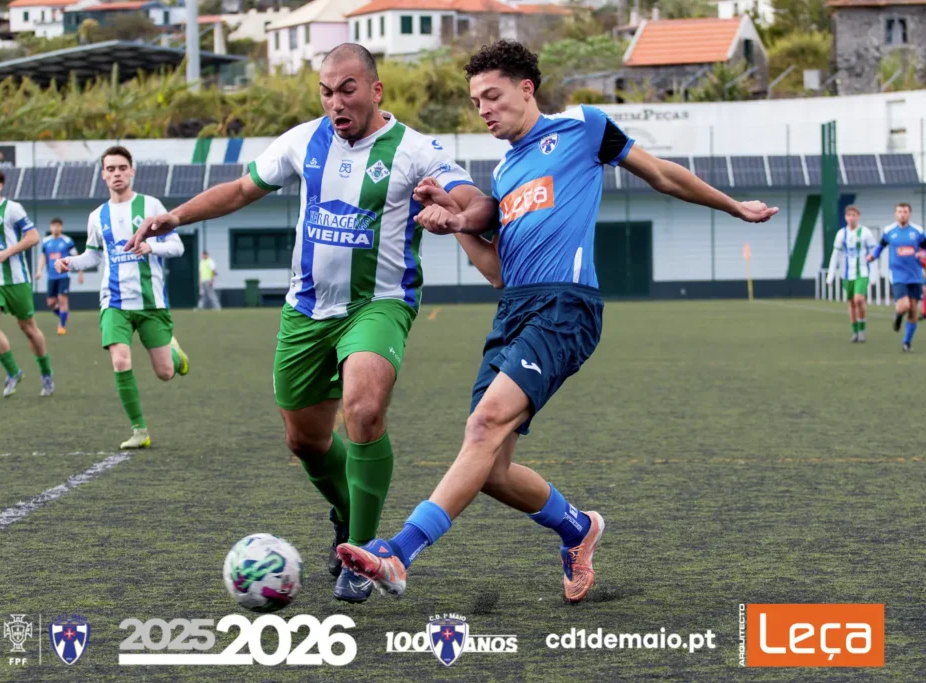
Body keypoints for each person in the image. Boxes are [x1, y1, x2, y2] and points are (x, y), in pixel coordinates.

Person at [336, 40, 777, 603]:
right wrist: (454, 223)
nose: (484, 109)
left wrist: (735, 207)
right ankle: (577, 528)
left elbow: (661, 174)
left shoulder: (583, 128)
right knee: (491, 469)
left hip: (566, 306)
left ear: (526, 88)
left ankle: (398, 553)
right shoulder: (505, 172)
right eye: (475, 102)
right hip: (514, 311)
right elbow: (497, 273)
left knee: (482, 426)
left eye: (492, 95)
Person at [124, 44, 497, 603]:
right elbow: (241, 189)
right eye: (325, 91)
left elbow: (479, 201)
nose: (335, 102)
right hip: (304, 311)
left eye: (347, 89)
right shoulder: (303, 140)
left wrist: (457, 214)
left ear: (375, 91)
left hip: (378, 304)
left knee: (364, 409)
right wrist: (175, 216)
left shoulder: (415, 149)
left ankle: (367, 552)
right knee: (304, 441)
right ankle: (349, 520)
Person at [56, 146, 190, 449]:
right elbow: (92, 256)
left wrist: (151, 248)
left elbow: (178, 246)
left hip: (150, 302)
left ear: (132, 170)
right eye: (110, 169)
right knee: (119, 361)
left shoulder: (151, 205)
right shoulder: (97, 216)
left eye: (121, 168)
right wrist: (70, 263)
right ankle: (139, 431)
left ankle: (173, 351)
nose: (116, 173)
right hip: (113, 302)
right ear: (103, 175)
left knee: (166, 373)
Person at [0, 167, 54, 398]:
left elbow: (33, 236)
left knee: (29, 329)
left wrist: (7, 253)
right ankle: (13, 372)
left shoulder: (12, 209)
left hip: (16, 281)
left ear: (0, 185)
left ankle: (46, 374)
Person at [867, 202, 926, 352]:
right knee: (904, 306)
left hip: (915, 275)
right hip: (898, 274)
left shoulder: (918, 231)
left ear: (909, 214)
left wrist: (923, 254)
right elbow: (881, 246)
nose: (902, 214)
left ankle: (906, 343)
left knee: (913, 311)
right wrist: (873, 256)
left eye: (905, 212)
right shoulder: (889, 231)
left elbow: (925, 249)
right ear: (896, 214)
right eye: (900, 212)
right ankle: (898, 317)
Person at [825, 205, 876, 343]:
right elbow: (835, 255)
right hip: (846, 274)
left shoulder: (865, 233)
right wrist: (830, 275)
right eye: (849, 215)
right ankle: (855, 331)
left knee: (859, 299)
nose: (852, 218)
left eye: (854, 215)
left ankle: (862, 331)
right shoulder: (841, 234)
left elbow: (873, 254)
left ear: (858, 216)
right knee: (852, 303)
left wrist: (874, 275)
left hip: (862, 272)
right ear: (845, 217)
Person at [37, 217, 84, 335]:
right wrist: (39, 270)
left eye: (58, 226)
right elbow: (43, 257)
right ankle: (63, 315)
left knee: (62, 300)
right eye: (53, 226)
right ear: (50, 227)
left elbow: (76, 256)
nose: (56, 228)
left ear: (61, 227)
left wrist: (80, 273)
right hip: (51, 276)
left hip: (64, 276)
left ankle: (62, 326)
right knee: (51, 303)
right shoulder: (46, 241)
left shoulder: (67, 241)